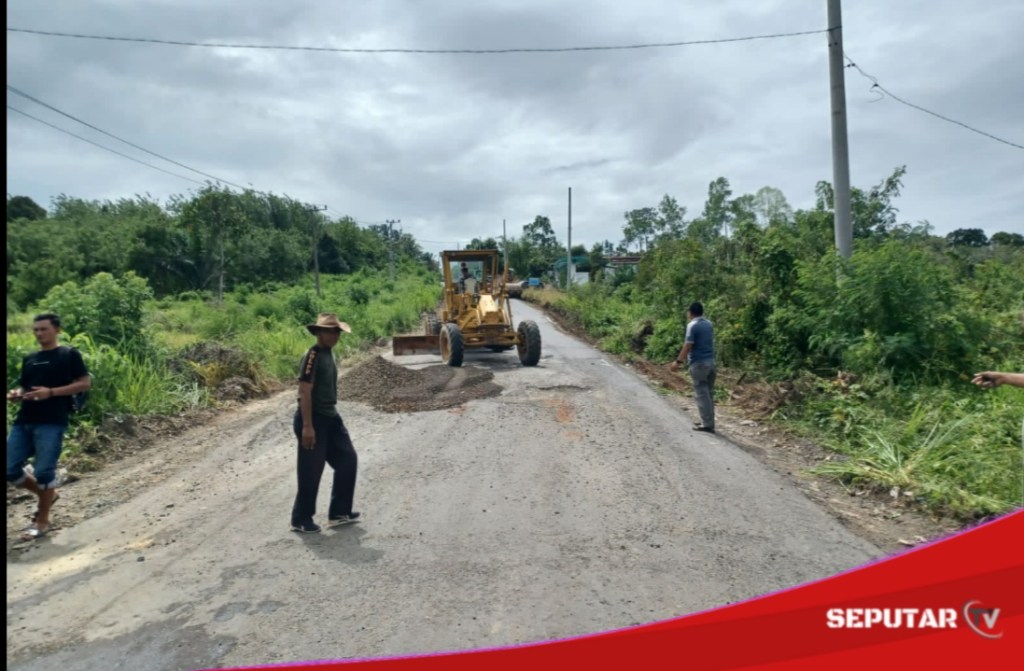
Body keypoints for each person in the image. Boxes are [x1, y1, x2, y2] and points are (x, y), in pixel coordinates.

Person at [7, 313, 92, 540]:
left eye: (43, 329)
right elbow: (26, 388)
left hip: (52, 421)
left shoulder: (68, 355)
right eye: (36, 330)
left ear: (57, 330)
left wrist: (51, 393)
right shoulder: (31, 358)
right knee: (9, 468)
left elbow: (84, 383)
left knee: (44, 471)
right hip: (24, 420)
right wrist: (18, 394)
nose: (39, 333)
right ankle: (48, 495)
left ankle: (42, 520)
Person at [291, 313, 361, 534]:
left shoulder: (329, 354)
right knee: (311, 470)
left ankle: (339, 512)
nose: (334, 336)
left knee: (348, 460)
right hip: (313, 419)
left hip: (331, 416)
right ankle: (301, 519)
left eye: (336, 332)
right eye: (329, 331)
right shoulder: (313, 355)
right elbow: (305, 391)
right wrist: (308, 427)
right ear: (319, 333)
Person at [670, 302, 717, 433]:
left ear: (690, 312)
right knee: (708, 393)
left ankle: (707, 425)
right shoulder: (709, 324)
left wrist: (678, 362)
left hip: (699, 364)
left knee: (701, 394)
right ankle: (708, 421)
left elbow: (688, 345)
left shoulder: (692, 326)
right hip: (711, 363)